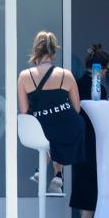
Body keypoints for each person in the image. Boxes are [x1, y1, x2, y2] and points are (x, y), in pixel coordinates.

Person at [17, 30, 85, 197]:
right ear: (54, 52)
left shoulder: (25, 76)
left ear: (35, 51)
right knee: (60, 128)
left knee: (49, 130)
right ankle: (58, 175)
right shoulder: (66, 75)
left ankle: (42, 169)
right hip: (67, 128)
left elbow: (24, 110)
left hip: (40, 129)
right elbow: (76, 108)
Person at [71, 43, 109, 218]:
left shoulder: (77, 83)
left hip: (79, 137)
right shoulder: (96, 87)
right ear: (101, 68)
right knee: (92, 181)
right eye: (107, 70)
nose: (107, 74)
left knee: (82, 179)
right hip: (93, 138)